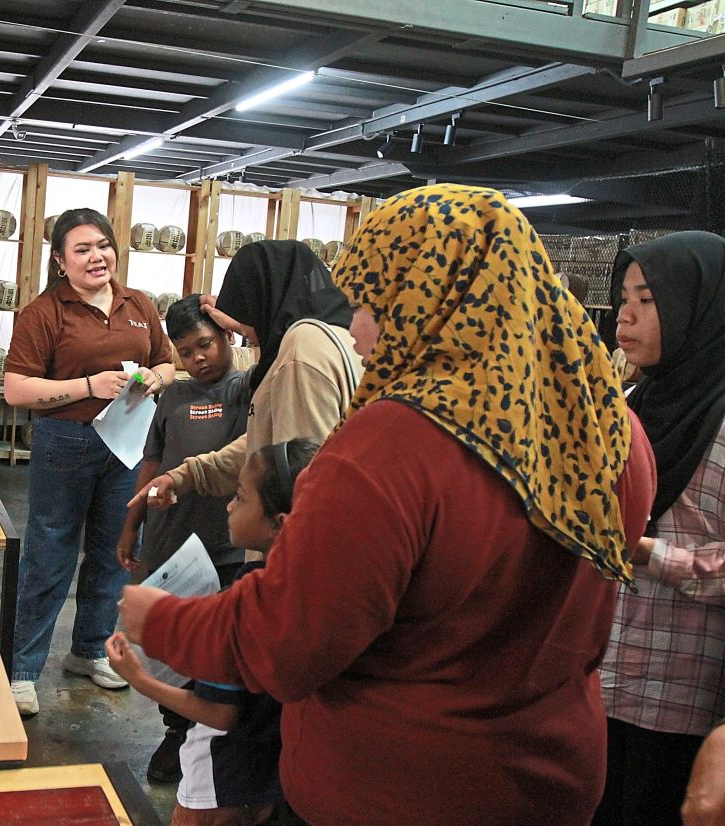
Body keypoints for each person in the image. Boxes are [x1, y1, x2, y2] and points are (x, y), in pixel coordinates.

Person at [116, 184, 658, 825]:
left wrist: (167, 622)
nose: (360, 332)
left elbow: (293, 642)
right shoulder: (613, 429)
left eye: (372, 302)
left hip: (402, 788)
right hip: (551, 782)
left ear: (435, 298)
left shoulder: (396, 443)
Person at [3, 207, 175, 717]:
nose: (96, 256)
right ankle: (24, 668)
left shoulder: (138, 303)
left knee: (114, 550)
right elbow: (16, 389)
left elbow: (166, 360)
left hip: (127, 443)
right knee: (50, 552)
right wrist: (87, 386)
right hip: (66, 441)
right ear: (60, 261)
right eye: (82, 249)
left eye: (102, 245)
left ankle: (90, 649)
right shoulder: (44, 313)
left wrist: (156, 380)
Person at [108, 439, 319, 826]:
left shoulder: (247, 600)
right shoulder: (312, 594)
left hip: (219, 778)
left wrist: (138, 678)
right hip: (271, 778)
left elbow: (221, 714)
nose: (229, 506)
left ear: (280, 524)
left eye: (240, 498)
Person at [594, 230, 725, 826]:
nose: (625, 315)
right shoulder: (627, 407)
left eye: (646, 300)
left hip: (679, 703)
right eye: (623, 298)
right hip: (601, 680)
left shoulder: (720, 424)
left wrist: (645, 552)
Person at [116, 294, 252, 784]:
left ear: (227, 338)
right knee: (172, 645)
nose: (199, 359)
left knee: (218, 646)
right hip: (170, 540)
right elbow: (151, 462)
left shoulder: (248, 389)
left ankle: (217, 733)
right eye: (186, 351)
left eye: (207, 344)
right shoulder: (172, 397)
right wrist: (131, 524)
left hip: (227, 544)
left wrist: (240, 319)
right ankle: (175, 731)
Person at [137, 240, 361, 524]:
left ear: (264, 300)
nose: (244, 328)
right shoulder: (330, 335)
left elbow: (297, 465)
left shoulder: (301, 350)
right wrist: (189, 475)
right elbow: (266, 441)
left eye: (246, 312)